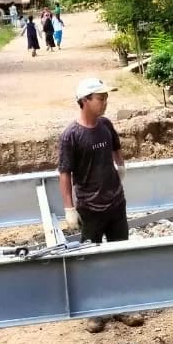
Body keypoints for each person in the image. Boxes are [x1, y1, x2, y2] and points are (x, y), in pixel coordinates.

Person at [58, 77, 127, 244]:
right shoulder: (71, 136)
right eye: (100, 99)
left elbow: (116, 147)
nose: (105, 103)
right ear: (85, 100)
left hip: (116, 203)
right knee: (91, 255)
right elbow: (65, 173)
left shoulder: (105, 125)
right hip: (90, 208)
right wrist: (69, 208)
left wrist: (121, 165)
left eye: (106, 99)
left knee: (121, 249)